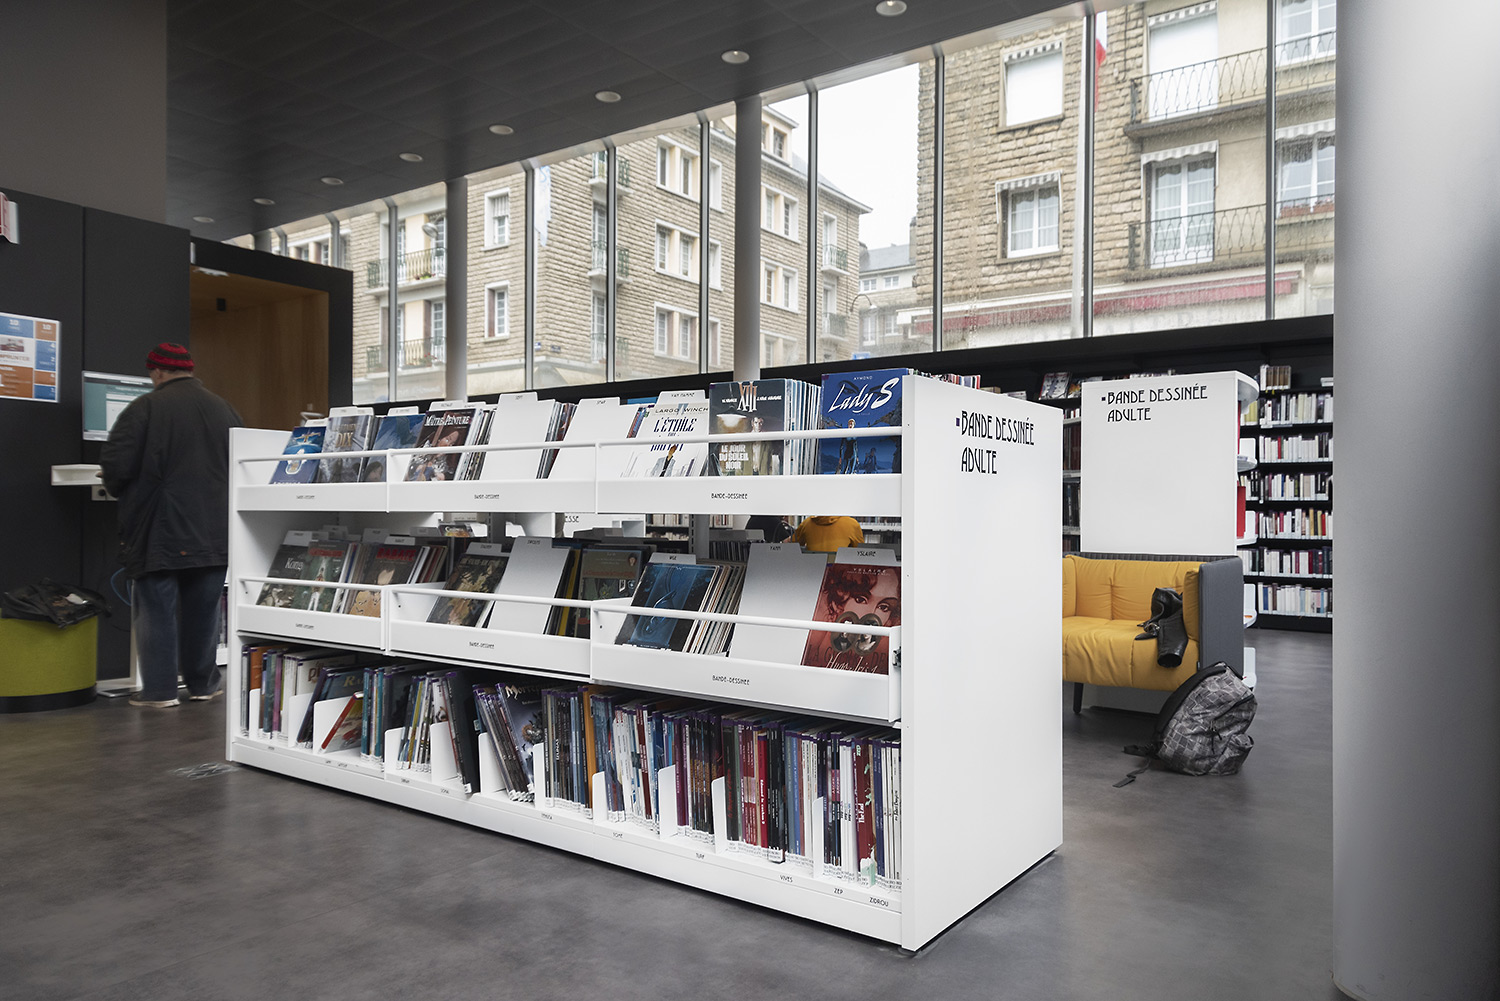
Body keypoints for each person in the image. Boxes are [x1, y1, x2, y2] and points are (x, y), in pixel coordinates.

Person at [100, 342, 242, 708]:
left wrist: (118, 487)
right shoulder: (224, 408)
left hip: (160, 530)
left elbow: (116, 466)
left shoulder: (144, 408)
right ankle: (203, 685)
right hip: (216, 529)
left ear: (158, 372)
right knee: (204, 613)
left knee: (157, 610)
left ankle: (160, 692)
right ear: (189, 370)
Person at [791, 515, 864, 553]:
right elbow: (861, 553)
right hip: (840, 573)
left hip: (812, 571)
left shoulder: (806, 524)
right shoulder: (852, 524)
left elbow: (792, 547)